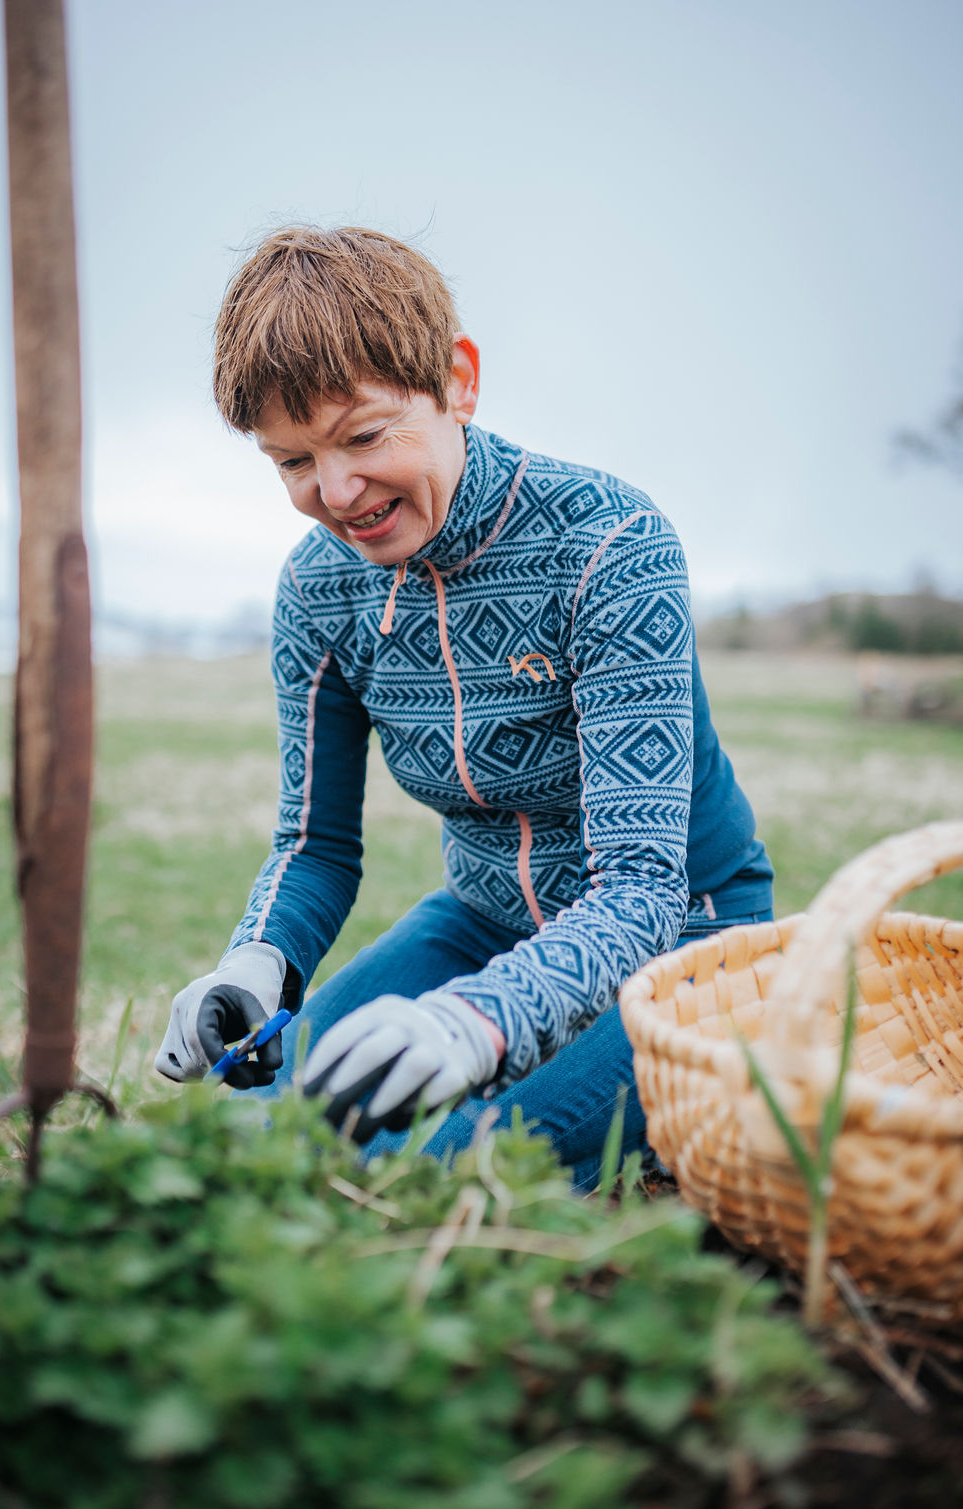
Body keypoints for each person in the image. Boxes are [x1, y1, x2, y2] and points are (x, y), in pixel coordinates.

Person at [155, 226, 773, 1189]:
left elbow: (642, 890)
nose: (336, 492)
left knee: (431, 1166)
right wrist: (257, 964)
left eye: (365, 436)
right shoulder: (319, 590)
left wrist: (477, 1021)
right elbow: (314, 845)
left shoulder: (610, 545)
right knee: (254, 1132)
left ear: (458, 382)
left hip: (689, 945)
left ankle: (690, 1114)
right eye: (291, 461)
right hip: (480, 923)